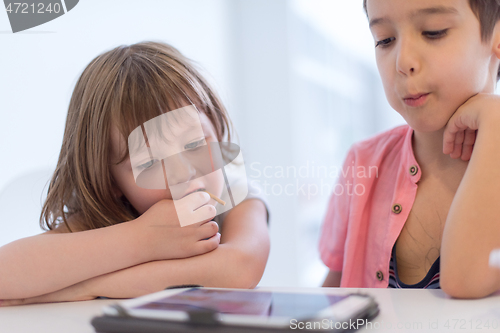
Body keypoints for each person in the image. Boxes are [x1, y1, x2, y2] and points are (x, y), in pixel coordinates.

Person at [0, 41, 270, 306]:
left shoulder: (237, 196)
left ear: (218, 131)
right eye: (151, 162)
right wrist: (143, 238)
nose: (184, 172)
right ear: (110, 182)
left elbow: (241, 268)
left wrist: (87, 285)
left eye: (194, 144)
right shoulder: (108, 215)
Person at [320, 0, 500, 298]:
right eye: (385, 40)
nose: (403, 61)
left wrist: (494, 121)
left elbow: (465, 281)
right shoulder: (363, 162)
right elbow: (332, 292)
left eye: (433, 32)